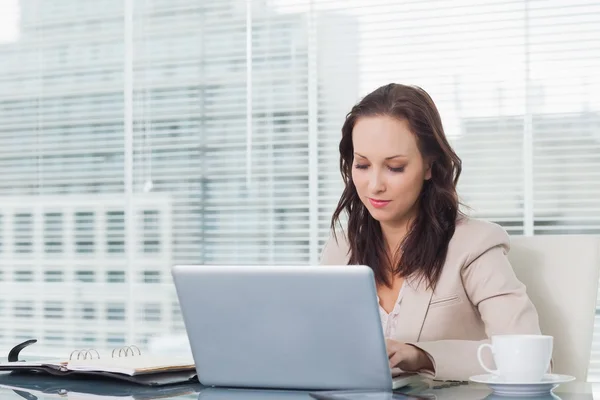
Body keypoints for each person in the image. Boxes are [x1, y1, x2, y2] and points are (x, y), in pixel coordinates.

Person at [320, 83, 542, 382]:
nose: (374, 185)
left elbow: (529, 359)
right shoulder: (340, 248)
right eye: (362, 165)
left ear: (429, 166)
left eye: (395, 167)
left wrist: (423, 355)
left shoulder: (474, 245)